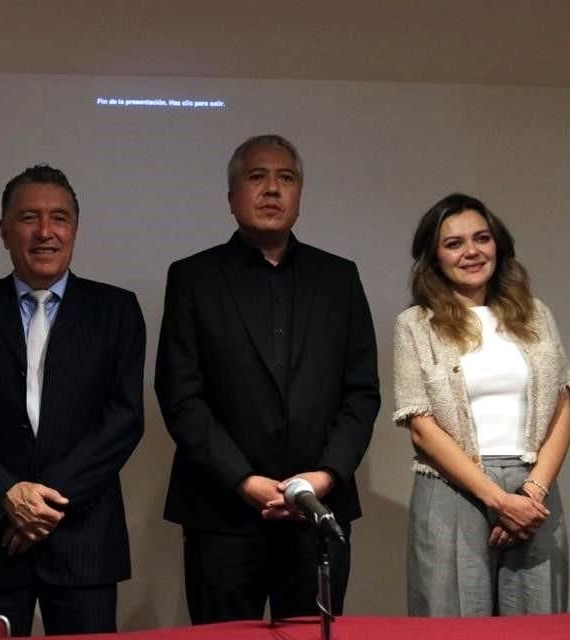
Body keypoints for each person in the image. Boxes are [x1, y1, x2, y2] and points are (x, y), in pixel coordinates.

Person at [155, 134, 380, 623]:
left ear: (300, 196)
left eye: (286, 178)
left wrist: (322, 478)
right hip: (222, 514)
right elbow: (180, 395)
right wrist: (242, 480)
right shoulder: (193, 278)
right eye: (257, 177)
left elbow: (361, 393)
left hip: (318, 513)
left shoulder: (339, 278)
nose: (272, 189)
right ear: (232, 197)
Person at [0, 164, 145, 636]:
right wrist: (7, 495)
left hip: (83, 541)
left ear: (75, 229)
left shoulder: (117, 310)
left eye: (60, 218)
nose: (45, 232)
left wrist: (42, 504)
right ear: (4, 230)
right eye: (29, 217)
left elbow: (124, 420)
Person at [393, 192, 570, 616]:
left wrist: (530, 493)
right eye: (454, 243)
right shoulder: (415, 326)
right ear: (434, 257)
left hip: (534, 491)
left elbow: (562, 409)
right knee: (453, 622)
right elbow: (421, 426)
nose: (472, 251)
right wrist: (497, 500)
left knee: (539, 623)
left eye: (481, 238)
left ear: (499, 243)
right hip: (452, 490)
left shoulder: (537, 315)